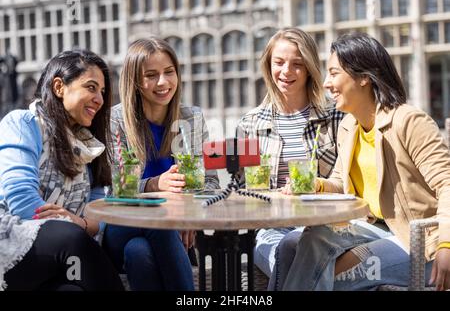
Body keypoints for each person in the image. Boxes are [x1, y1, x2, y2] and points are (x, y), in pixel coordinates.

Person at [277, 33, 450, 291]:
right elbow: (339, 181)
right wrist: (317, 185)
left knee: (329, 276)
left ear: (364, 78)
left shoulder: (409, 121)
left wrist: (446, 244)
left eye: (334, 73)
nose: (326, 83)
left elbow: (447, 184)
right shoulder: (349, 126)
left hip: (419, 241)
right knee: (292, 243)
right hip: (374, 227)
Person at [0, 49, 124, 291]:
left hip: (58, 256)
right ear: (59, 87)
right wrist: (71, 225)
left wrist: (79, 222)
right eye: (91, 87)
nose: (99, 98)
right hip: (12, 242)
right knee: (72, 238)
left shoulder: (90, 144)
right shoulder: (23, 123)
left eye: (102, 91)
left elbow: (99, 209)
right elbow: (21, 198)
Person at [105, 37, 220, 291]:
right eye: (151, 75)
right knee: (162, 222)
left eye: (169, 72)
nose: (163, 82)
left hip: (171, 236)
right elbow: (114, 190)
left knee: (138, 253)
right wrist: (155, 185)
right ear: (135, 81)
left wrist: (189, 218)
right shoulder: (115, 120)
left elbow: (211, 182)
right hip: (123, 225)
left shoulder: (193, 118)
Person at [237, 27, 344, 287]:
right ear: (268, 65)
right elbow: (240, 189)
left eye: (297, 64)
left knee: (295, 261)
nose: (286, 72)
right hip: (270, 230)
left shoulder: (336, 117)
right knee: (287, 258)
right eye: (279, 62)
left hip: (323, 228)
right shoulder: (250, 124)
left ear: (309, 68)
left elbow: (346, 181)